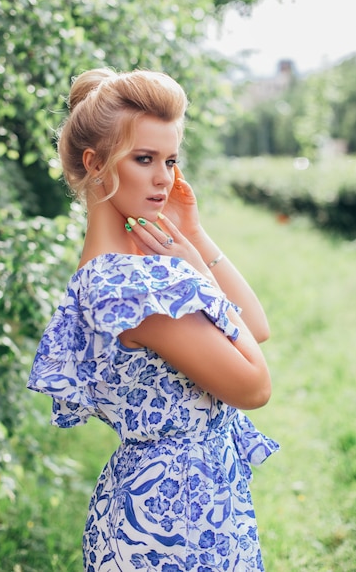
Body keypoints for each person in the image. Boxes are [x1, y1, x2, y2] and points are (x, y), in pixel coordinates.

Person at [27, 67, 279, 572]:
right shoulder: (133, 290)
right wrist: (198, 277)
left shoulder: (120, 274)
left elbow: (256, 328)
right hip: (172, 523)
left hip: (180, 504)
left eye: (170, 159)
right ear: (95, 164)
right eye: (144, 159)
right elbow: (254, 387)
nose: (163, 177)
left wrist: (194, 232)